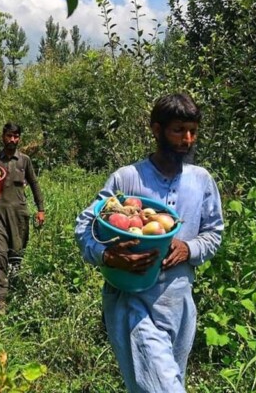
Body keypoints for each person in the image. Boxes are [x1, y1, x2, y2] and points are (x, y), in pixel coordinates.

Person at [74, 93, 224, 393]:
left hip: (180, 304)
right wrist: (107, 256)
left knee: (163, 382)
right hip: (132, 300)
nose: (187, 139)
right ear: (157, 130)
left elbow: (214, 233)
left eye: (192, 131)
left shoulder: (201, 180)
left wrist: (189, 248)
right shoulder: (127, 179)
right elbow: (84, 227)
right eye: (178, 130)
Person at [0, 122, 45, 312]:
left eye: (16, 136)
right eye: (9, 136)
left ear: (19, 138)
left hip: (19, 212)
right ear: (3, 136)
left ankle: (16, 285)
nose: (12, 140)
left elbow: (35, 184)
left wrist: (41, 209)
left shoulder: (24, 160)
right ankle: (1, 299)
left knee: (17, 252)